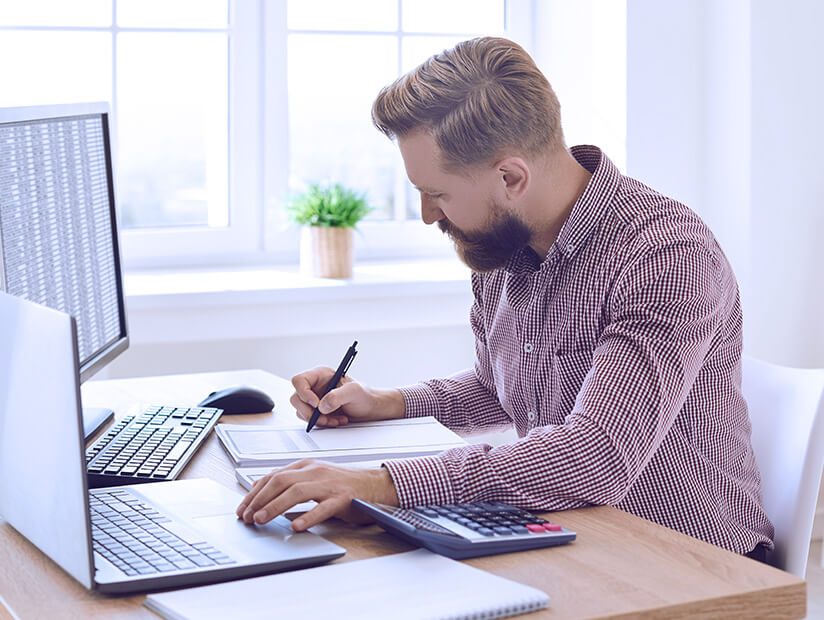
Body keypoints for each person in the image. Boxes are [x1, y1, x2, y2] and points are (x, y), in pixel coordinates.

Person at [237, 36, 774, 558]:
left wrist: (379, 485)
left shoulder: (666, 254)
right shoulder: (503, 244)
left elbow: (599, 453)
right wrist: (385, 403)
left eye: (437, 193)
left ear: (511, 176)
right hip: (570, 529)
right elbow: (500, 390)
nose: (428, 214)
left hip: (688, 557)